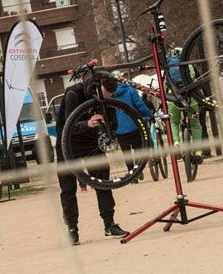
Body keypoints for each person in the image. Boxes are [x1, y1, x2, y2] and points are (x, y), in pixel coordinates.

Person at [55, 76, 129, 244]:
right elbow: (69, 126)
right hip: (67, 144)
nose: (103, 99)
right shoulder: (74, 94)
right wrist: (87, 123)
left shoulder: (109, 98)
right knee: (68, 188)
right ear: (95, 87)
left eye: (108, 97)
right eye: (102, 95)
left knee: (103, 183)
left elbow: (114, 125)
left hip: (91, 144)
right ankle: (72, 229)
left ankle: (109, 224)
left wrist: (107, 128)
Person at [165, 47, 203, 161]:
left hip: (174, 98)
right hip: (191, 97)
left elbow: (165, 85)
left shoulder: (168, 67)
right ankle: (198, 152)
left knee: (174, 122)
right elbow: (199, 81)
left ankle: (176, 143)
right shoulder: (189, 65)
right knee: (196, 124)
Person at [113, 81, 154, 181]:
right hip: (134, 126)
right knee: (138, 149)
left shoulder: (111, 94)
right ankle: (138, 170)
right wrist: (149, 115)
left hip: (119, 129)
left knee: (126, 153)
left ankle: (131, 174)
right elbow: (140, 106)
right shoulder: (130, 91)